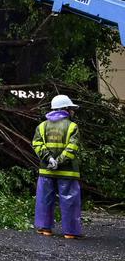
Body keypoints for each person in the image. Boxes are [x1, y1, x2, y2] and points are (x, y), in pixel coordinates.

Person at [32, 94, 82, 238]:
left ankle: (45, 229)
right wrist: (59, 161)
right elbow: (72, 148)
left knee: (44, 199)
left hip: (46, 170)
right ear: (65, 109)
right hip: (67, 172)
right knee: (69, 200)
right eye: (71, 109)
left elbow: (37, 144)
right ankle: (70, 232)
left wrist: (49, 159)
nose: (73, 112)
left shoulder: (42, 126)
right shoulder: (72, 126)